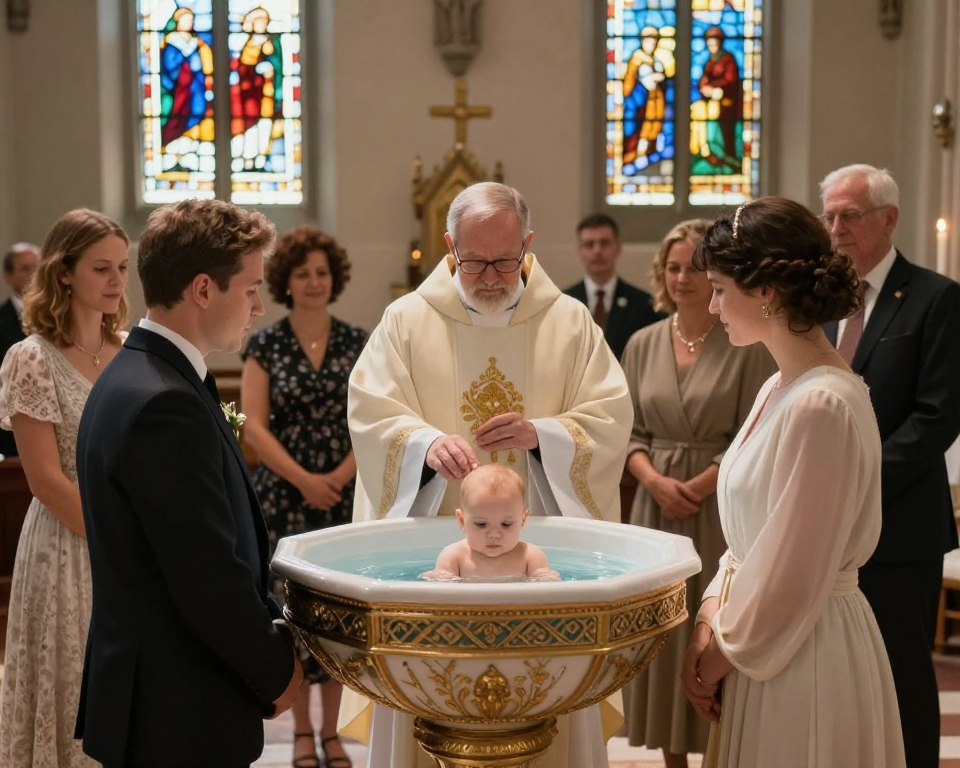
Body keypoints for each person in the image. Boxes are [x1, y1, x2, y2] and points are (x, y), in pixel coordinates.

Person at [345, 181, 633, 768]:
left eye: (506, 260)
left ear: (528, 245)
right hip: (436, 569)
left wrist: (544, 436)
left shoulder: (570, 322)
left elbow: (609, 416)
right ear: (450, 247)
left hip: (541, 567)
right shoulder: (405, 320)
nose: (492, 276)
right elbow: (370, 412)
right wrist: (424, 445)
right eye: (474, 261)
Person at [75, 199, 303, 767]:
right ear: (204, 289)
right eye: (249, 288)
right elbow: (205, 575)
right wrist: (277, 667)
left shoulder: (138, 375)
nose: (258, 305)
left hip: (160, 696)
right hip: (178, 708)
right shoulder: (163, 404)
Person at [680, 197, 905, 766]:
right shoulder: (779, 388)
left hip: (802, 651)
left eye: (719, 288)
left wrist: (714, 659)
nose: (711, 305)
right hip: (756, 637)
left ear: (766, 291)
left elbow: (794, 573)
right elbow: (751, 541)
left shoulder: (821, 404)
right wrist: (709, 615)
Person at [820, 163, 960, 768]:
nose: (836, 229)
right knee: (839, 671)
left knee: (902, 669)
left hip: (899, 525)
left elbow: (937, 417)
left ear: (888, 218)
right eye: (829, 216)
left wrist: (857, 484)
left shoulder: (935, 298)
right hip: (825, 523)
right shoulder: (821, 300)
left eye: (849, 215)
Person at [621, 219, 774, 768]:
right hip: (653, 505)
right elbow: (627, 433)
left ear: (715, 278)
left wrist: (698, 484)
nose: (683, 277)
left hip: (716, 502)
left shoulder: (744, 343)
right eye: (673, 267)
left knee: (708, 629)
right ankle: (671, 760)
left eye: (695, 268)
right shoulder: (641, 343)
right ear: (662, 274)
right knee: (660, 635)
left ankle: (719, 752)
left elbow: (752, 432)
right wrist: (656, 481)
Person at [0, 209, 129, 768]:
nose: (117, 281)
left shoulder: (130, 352)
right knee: (70, 679)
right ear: (65, 272)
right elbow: (45, 481)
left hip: (128, 539)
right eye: (101, 267)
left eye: (123, 267)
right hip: (66, 544)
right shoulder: (31, 357)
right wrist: (118, 539)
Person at [241, 225, 367, 768]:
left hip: (343, 493)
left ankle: (333, 733)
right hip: (285, 497)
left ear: (332, 278)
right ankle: (298, 732)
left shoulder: (358, 342)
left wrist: (338, 475)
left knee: (338, 615)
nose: (313, 282)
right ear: (285, 281)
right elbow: (252, 428)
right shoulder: (264, 343)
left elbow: (372, 421)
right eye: (302, 274)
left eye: (321, 273)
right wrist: (304, 479)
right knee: (290, 613)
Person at [426, 463, 555, 581]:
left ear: (523, 520)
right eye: (481, 524)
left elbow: (547, 591)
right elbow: (441, 595)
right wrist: (440, 578)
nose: (494, 534)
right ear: (461, 520)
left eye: (506, 524)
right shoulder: (453, 557)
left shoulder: (531, 557)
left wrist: (546, 578)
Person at [563, 212, 661, 362]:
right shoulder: (563, 303)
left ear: (618, 247)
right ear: (579, 252)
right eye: (589, 245)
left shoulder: (643, 305)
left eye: (604, 243)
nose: (597, 251)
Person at [0, 241, 40, 457]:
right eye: (25, 268)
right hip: (9, 435)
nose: (33, 275)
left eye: (37, 267)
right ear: (8, 275)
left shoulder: (61, 318)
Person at [691, 26, 742, 174]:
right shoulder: (710, 61)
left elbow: (731, 81)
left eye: (714, 43)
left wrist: (715, 90)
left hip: (726, 103)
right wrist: (705, 87)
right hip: (710, 101)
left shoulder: (728, 59)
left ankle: (724, 155)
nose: (711, 47)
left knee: (720, 122)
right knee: (696, 110)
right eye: (709, 44)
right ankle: (704, 149)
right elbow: (704, 79)